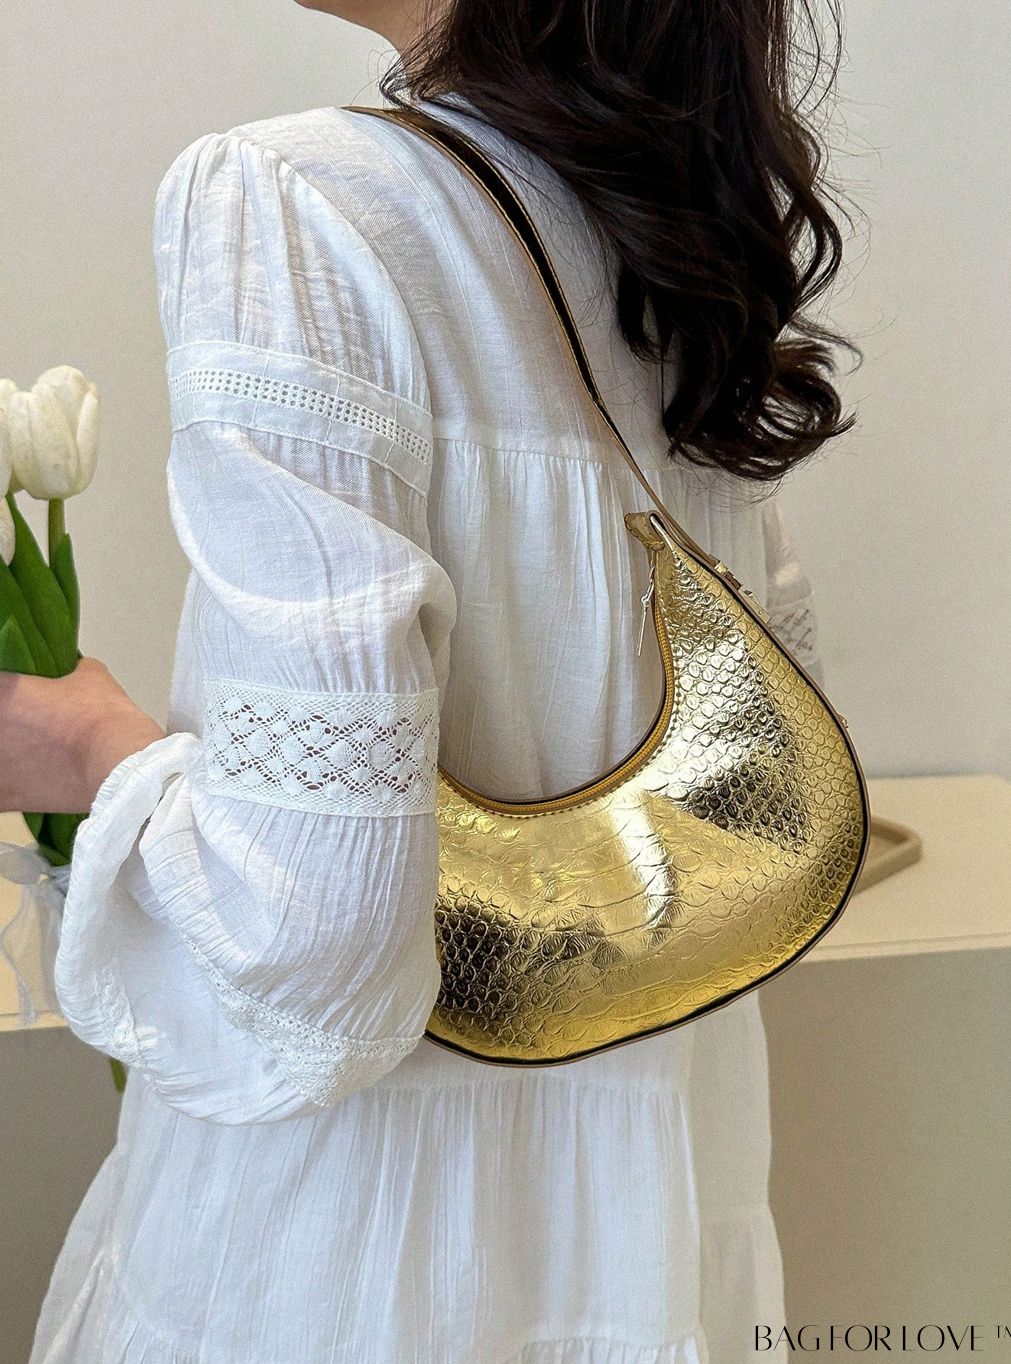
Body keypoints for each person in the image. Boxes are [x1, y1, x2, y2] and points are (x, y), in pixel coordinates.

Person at [2, 0, 860, 1358]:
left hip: (361, 1248)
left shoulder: (295, 200)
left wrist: (94, 748)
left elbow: (313, 949)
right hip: (640, 1216)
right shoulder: (662, 217)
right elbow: (774, 746)